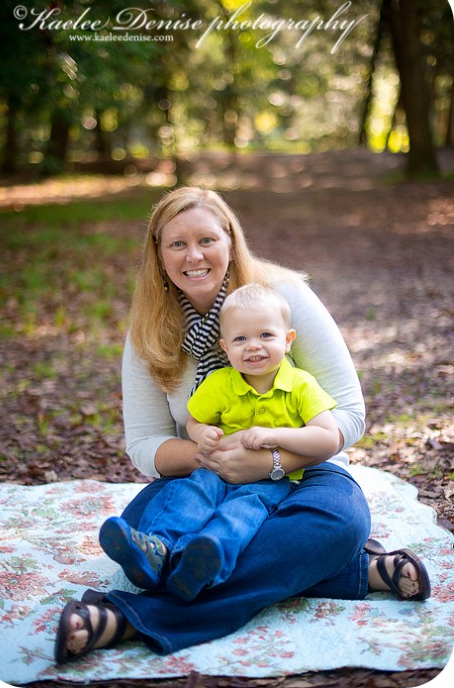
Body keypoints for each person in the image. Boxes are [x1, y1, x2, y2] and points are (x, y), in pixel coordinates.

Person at [55, 186, 431, 664]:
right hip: (203, 475)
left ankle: (129, 618)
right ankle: (357, 571)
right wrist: (211, 455)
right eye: (177, 244)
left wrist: (269, 459)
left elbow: (350, 414)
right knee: (136, 529)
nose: (194, 255)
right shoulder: (151, 327)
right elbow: (145, 444)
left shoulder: (284, 298)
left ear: (231, 242)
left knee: (339, 523)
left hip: (303, 468)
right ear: (158, 254)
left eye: (208, 240)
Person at [99, 284, 340, 602]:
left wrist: (274, 436)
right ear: (226, 347)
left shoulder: (300, 385)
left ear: (288, 339)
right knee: (190, 494)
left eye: (266, 335)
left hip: (270, 479)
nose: (253, 347)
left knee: (242, 511)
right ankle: (157, 549)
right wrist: (201, 435)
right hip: (217, 469)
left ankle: (206, 558)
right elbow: (193, 420)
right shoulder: (220, 383)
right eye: (241, 339)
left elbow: (327, 438)